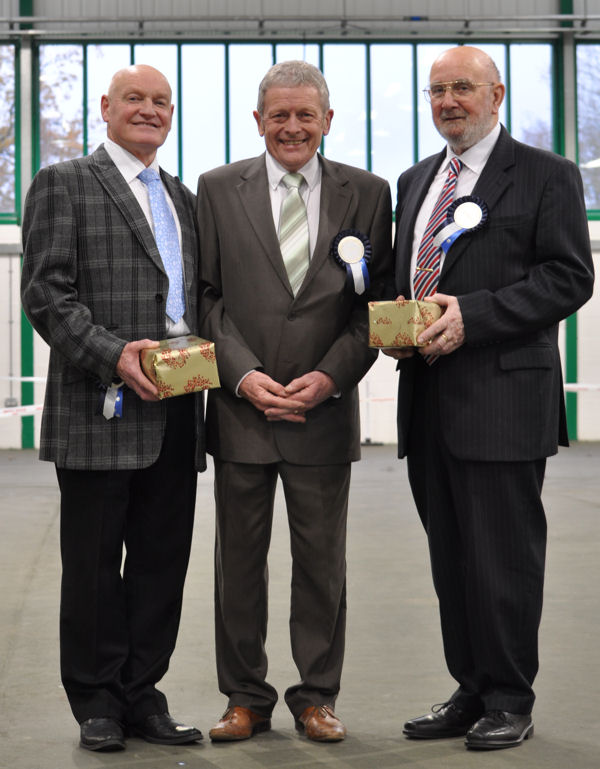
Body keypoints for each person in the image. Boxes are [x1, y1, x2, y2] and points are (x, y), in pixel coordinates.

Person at [384, 45, 594, 750]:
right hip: (427, 402)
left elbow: (569, 278)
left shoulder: (545, 175)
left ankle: (510, 694)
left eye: (463, 88)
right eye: (437, 90)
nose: (449, 101)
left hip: (503, 404)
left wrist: (472, 314)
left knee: (503, 560)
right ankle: (471, 688)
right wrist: (396, 326)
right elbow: (410, 281)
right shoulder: (415, 181)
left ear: (496, 94)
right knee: (452, 558)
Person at [197, 60, 392, 743]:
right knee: (238, 566)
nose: (292, 126)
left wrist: (332, 376)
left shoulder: (369, 194)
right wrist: (242, 374)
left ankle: (316, 696)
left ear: (328, 121)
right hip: (242, 412)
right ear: (258, 120)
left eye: (305, 114)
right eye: (278, 114)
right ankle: (244, 696)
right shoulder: (216, 189)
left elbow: (377, 306)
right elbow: (206, 296)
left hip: (323, 411)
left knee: (321, 565)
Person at [21, 65, 205, 752]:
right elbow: (46, 294)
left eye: (162, 101)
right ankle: (97, 699)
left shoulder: (182, 197)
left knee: (162, 560)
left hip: (178, 406)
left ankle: (142, 693)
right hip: (100, 403)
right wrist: (112, 354)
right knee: (95, 564)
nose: (149, 110)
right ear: (106, 108)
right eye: (136, 99)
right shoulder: (63, 183)